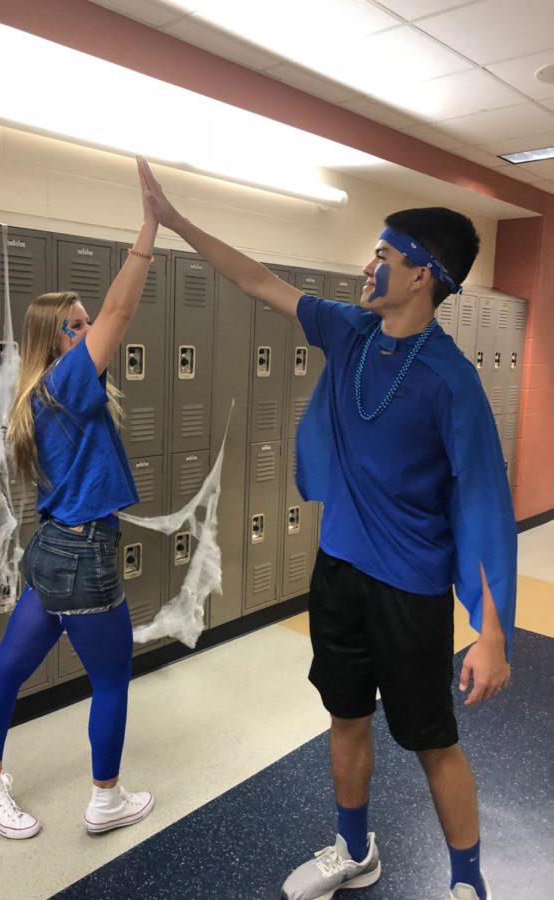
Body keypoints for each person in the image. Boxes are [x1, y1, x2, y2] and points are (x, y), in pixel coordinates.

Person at [138, 159, 515, 900]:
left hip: (408, 589)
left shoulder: (449, 382)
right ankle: (353, 851)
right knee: (344, 718)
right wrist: (177, 223)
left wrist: (491, 628)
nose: (366, 266)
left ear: (420, 277)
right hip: (338, 569)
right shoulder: (347, 332)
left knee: (432, 743)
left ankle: (468, 882)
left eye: (383, 256)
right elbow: (256, 281)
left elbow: (481, 505)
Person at [0, 159, 159, 839]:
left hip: (51, 550)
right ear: (55, 340)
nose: (87, 332)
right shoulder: (66, 382)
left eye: (83, 324)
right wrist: (148, 230)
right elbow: (121, 310)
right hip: (80, 552)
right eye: (74, 326)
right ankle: (106, 800)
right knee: (111, 680)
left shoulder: (40, 392)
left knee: (10, 668)